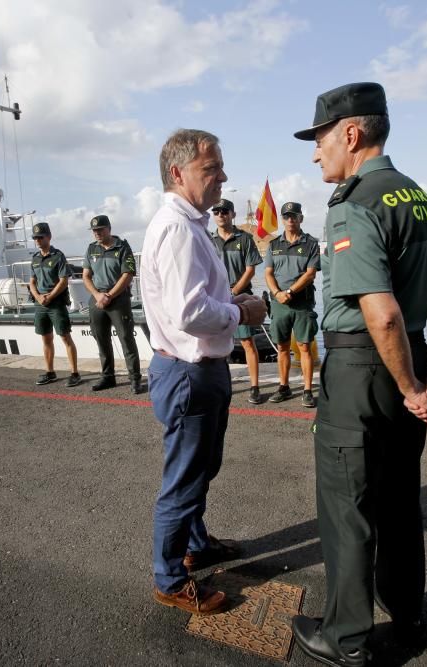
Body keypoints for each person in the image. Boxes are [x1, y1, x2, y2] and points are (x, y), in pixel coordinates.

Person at [289, 82, 427, 666]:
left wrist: (411, 386)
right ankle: (407, 615)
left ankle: (344, 639)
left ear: (350, 133)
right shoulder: (421, 199)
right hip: (409, 358)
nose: (316, 153)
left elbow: (381, 313)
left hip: (365, 368)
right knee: (398, 499)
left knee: (349, 505)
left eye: (318, 139)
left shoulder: (355, 202)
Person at [141, 128, 267, 616]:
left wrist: (230, 302)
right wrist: (243, 314)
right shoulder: (177, 229)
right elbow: (189, 313)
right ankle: (170, 579)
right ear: (178, 173)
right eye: (211, 168)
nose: (223, 177)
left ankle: (194, 544)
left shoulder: (190, 224)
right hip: (189, 372)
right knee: (184, 480)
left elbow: (195, 301)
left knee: (201, 469)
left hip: (200, 369)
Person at [264, 202, 321, 407]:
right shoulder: (274, 245)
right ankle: (284, 387)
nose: (290, 220)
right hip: (279, 304)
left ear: (300, 218)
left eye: (294, 216)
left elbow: (310, 273)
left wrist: (289, 291)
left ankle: (307, 390)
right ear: (283, 219)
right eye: (286, 216)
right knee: (282, 347)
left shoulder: (311, 243)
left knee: (304, 346)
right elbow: (268, 273)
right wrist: (277, 293)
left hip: (302, 303)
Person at [210, 197, 266, 404]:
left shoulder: (244, 239)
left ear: (233, 214)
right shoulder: (209, 240)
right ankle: (220, 384)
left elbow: (251, 269)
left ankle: (254, 387)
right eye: (216, 212)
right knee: (217, 343)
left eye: (225, 211)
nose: (220, 215)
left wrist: (234, 291)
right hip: (216, 298)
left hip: (241, 297)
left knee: (247, 343)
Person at [82, 215, 143, 394]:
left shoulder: (123, 247)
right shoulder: (91, 249)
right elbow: (86, 275)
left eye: (100, 229)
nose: (97, 233)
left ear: (109, 228)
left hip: (118, 299)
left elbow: (128, 274)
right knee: (101, 339)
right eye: (94, 231)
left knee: (126, 338)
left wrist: (109, 295)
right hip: (97, 298)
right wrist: (97, 295)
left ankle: (135, 379)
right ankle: (108, 377)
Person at [28, 222, 81, 387]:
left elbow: (64, 281)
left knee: (65, 337)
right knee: (46, 338)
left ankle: (75, 373)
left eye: (40, 237)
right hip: (40, 304)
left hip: (56, 302)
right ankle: (50, 372)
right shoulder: (35, 258)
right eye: (35, 237)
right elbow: (32, 281)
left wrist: (49, 296)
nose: (37, 240)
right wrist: (38, 297)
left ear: (48, 237)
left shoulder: (58, 256)